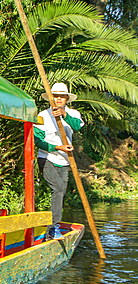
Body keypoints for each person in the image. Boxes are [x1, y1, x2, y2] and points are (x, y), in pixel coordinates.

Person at [34, 82, 84, 240]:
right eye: (55, 96)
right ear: (50, 98)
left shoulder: (73, 113)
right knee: (59, 188)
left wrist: (64, 115)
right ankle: (53, 227)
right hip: (47, 158)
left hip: (65, 161)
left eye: (62, 96)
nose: (58, 99)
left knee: (61, 192)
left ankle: (53, 226)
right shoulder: (42, 115)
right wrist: (58, 147)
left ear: (67, 98)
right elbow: (38, 141)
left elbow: (77, 126)